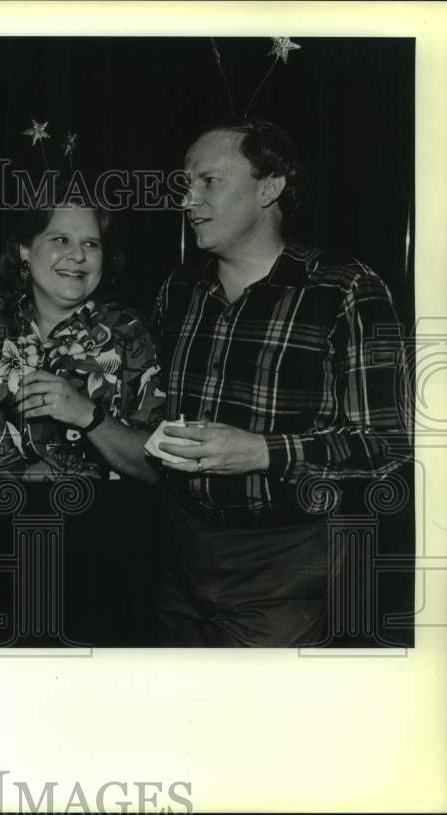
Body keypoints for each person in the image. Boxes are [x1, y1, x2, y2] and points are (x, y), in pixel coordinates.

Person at [152, 117, 411, 647]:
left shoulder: (344, 289)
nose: (187, 199)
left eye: (208, 181)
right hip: (177, 550)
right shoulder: (178, 291)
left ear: (269, 187)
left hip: (287, 563)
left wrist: (262, 451)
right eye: (185, 182)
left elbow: (388, 445)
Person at [0, 192, 164, 646]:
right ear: (24, 250)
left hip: (102, 548)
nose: (77, 256)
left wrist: (87, 415)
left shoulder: (131, 334)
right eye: (61, 239)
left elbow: (154, 467)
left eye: (91, 244)